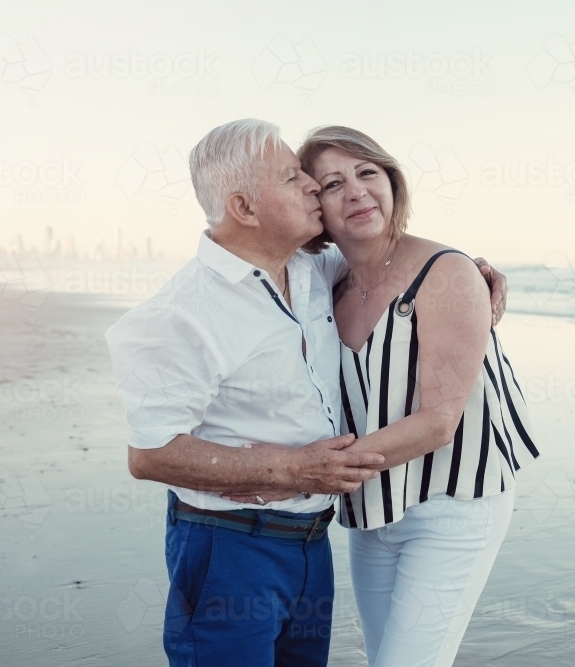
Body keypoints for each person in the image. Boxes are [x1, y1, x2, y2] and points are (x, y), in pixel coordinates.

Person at [104, 119, 508, 667]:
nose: (314, 189)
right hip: (230, 544)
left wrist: (471, 273)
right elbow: (149, 454)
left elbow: (394, 263)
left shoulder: (314, 269)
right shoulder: (178, 315)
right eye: (296, 177)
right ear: (245, 208)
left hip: (313, 541)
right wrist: (287, 470)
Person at [303, 126, 540, 666]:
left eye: (368, 173)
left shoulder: (448, 273)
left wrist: (312, 469)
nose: (357, 192)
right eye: (333, 183)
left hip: (453, 506)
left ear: (392, 182)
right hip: (373, 507)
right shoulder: (323, 281)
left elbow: (439, 421)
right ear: (315, 207)